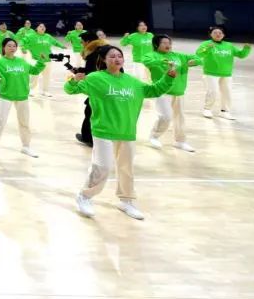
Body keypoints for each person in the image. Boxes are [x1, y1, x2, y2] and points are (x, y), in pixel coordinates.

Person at [67, 46, 176, 220]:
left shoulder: (133, 82)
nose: (117, 59)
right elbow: (71, 90)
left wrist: (168, 77)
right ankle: (85, 196)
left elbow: (154, 90)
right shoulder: (95, 78)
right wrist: (73, 80)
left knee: (126, 169)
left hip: (126, 132)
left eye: (119, 56)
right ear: (104, 60)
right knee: (102, 166)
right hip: (103, 131)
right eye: (112, 56)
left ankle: (126, 201)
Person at [0, 39, 46, 158]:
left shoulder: (22, 61)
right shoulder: (0, 62)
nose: (12, 48)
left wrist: (41, 61)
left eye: (14, 46)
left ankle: (26, 146)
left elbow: (34, 70)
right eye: (9, 46)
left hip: (22, 96)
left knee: (24, 122)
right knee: (1, 121)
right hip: (6, 96)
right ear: (4, 48)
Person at [143, 35, 199, 152]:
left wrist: (194, 61)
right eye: (164, 43)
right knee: (166, 116)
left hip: (179, 91)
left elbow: (199, 59)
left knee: (180, 118)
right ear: (156, 44)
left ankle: (180, 141)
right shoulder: (151, 55)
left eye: (169, 43)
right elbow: (147, 61)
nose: (167, 45)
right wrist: (162, 61)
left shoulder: (179, 56)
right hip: (162, 91)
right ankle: (154, 136)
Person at [196, 26, 251, 120]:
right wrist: (207, 48)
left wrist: (246, 49)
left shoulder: (229, 45)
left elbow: (241, 55)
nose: (218, 34)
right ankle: (207, 109)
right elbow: (199, 54)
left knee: (227, 93)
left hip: (226, 73)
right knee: (213, 91)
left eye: (220, 33)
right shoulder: (206, 44)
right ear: (210, 34)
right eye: (215, 33)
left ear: (223, 35)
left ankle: (224, 111)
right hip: (211, 73)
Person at [74, 31, 110, 147]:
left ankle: (88, 137)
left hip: (99, 88)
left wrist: (79, 76)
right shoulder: (107, 49)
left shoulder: (93, 53)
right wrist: (80, 70)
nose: (82, 44)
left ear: (88, 41)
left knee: (90, 112)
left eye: (82, 42)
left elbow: (91, 74)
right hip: (113, 86)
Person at [22, 23, 65, 98]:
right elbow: (23, 41)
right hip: (36, 60)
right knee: (35, 75)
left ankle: (45, 91)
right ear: (36, 28)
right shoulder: (31, 36)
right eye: (40, 26)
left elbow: (55, 42)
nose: (43, 27)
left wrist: (61, 46)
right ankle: (31, 90)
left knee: (47, 76)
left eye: (44, 26)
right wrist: (23, 48)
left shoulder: (47, 36)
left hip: (47, 59)